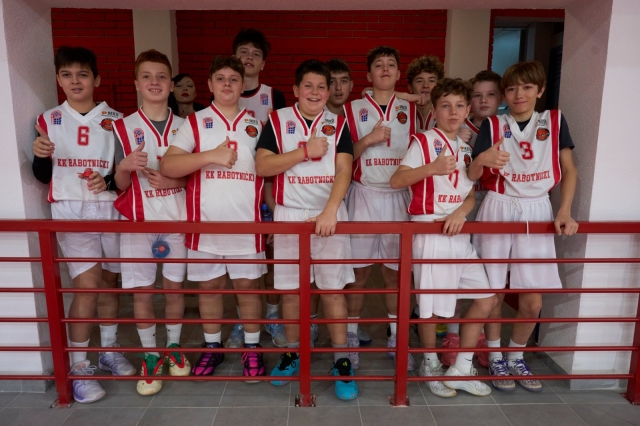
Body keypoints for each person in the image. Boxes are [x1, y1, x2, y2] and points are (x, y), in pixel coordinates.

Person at [31, 46, 135, 403]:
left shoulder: (117, 120)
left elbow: (122, 173)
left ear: (97, 79)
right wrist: (39, 157)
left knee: (108, 283)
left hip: (109, 208)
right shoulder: (47, 120)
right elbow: (42, 175)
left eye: (83, 74)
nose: (75, 81)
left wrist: (107, 180)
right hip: (71, 210)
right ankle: (78, 367)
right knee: (87, 286)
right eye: (67, 75)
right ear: (58, 79)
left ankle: (108, 350)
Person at [468, 61, 578, 392]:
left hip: (537, 209)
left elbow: (569, 169)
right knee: (493, 292)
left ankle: (516, 356)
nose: (519, 94)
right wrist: (482, 160)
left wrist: (565, 210)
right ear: (505, 94)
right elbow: (472, 174)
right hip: (498, 206)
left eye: (528, 87)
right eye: (512, 88)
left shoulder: (554, 121)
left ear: (540, 90)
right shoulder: (493, 124)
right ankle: (495, 356)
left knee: (532, 299)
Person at [255, 59, 358, 400]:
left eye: (321, 87)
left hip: (329, 214)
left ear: (329, 92)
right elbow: (262, 165)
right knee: (291, 291)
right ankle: (293, 353)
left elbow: (344, 170)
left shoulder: (338, 123)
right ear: (296, 90)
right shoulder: (277, 120)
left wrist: (330, 210)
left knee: (332, 290)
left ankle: (342, 361)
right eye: (308, 86)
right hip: (289, 214)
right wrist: (304, 151)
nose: (315, 92)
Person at [161, 56, 267, 382]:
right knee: (209, 288)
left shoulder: (258, 125)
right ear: (209, 84)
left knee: (248, 288)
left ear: (243, 84)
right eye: (220, 78)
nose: (227, 84)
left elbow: (270, 173)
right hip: (204, 224)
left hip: (247, 225)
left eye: (233, 79)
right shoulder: (195, 122)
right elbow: (168, 165)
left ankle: (252, 347)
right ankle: (212, 346)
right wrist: (210, 156)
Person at [390, 77, 497, 398]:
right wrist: (431, 168)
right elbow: (397, 180)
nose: (453, 112)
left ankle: (461, 369)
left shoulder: (465, 149)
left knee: (486, 298)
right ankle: (430, 365)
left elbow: (469, 194)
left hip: (458, 233)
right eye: (446, 106)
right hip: (429, 232)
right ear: (434, 110)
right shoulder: (423, 141)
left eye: (459, 106)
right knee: (430, 309)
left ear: (467, 111)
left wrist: (460, 213)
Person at [113, 49, 190, 396]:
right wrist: (124, 166)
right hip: (137, 222)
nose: (154, 82)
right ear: (136, 83)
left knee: (174, 290)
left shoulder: (187, 126)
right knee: (142, 292)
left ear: (171, 84)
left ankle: (173, 347)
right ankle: (150, 354)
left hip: (176, 218)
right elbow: (119, 185)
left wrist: (175, 180)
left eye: (161, 77)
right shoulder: (122, 127)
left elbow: (197, 178)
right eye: (147, 76)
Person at [343, 46, 416, 370]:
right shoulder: (352, 109)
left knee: (394, 275)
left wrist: (412, 97)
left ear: (399, 73)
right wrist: (368, 140)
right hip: (363, 196)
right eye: (378, 65)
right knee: (357, 275)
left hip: (399, 197)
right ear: (368, 74)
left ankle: (396, 338)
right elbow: (342, 157)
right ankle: (350, 336)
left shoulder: (413, 109)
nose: (385, 69)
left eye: (391, 65)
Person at [225, 28, 288, 350]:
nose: (248, 57)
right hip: (234, 191)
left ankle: (273, 317)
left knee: (274, 259)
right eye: (243, 51)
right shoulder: (223, 94)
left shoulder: (274, 96)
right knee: (240, 265)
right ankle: (242, 320)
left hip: (268, 187)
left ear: (263, 63)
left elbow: (284, 146)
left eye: (256, 53)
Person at [440, 70, 504, 368]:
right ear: (469, 102)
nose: (483, 101)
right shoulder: (454, 127)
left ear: (500, 98)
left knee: (488, 280)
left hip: (491, 206)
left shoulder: (505, 128)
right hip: (459, 205)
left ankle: (481, 339)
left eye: (490, 94)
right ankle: (453, 336)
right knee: (455, 277)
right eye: (477, 95)